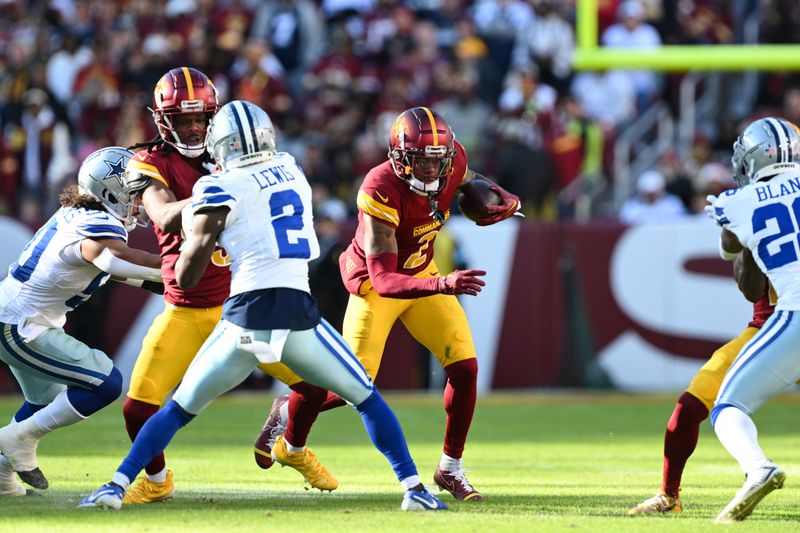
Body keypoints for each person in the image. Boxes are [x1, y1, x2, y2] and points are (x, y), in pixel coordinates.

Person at [78, 100, 449, 512]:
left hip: (244, 320)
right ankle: (414, 489)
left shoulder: (216, 188)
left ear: (220, 146)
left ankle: (115, 486)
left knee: (177, 410)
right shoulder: (292, 168)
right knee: (366, 398)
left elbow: (186, 276)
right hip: (296, 315)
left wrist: (200, 235)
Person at [254, 106, 522, 501]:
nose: (432, 170)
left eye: (438, 160)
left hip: (422, 270)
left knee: (464, 369)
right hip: (376, 285)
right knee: (353, 386)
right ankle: (287, 412)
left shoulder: (452, 161)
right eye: (421, 160)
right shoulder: (379, 187)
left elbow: (467, 178)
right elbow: (384, 279)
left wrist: (496, 193)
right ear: (398, 157)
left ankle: (451, 470)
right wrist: (443, 282)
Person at [121, 67, 332, 504]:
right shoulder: (149, 162)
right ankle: (158, 480)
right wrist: (220, 189)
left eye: (201, 119)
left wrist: (233, 179)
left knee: (315, 390)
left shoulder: (233, 154)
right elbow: (161, 216)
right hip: (184, 309)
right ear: (163, 121)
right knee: (137, 408)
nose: (195, 128)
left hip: (240, 308)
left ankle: (289, 445)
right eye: (184, 120)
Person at [0, 147, 162, 496]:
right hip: (21, 325)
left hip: (18, 317)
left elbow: (110, 269)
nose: (140, 200)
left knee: (44, 402)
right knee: (104, 383)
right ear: (109, 192)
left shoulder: (79, 212)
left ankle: (1, 475)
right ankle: (14, 439)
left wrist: (159, 283)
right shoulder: (99, 223)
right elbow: (116, 260)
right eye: (133, 191)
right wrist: (182, 264)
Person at [628, 250, 774, 514]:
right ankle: (669, 496)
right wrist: (748, 243)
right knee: (689, 406)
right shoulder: (754, 216)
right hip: (767, 331)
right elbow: (750, 290)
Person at [708, 117, 800, 523]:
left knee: (728, 407)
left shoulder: (734, 202)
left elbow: (748, 285)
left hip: (795, 313)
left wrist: (737, 236)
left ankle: (758, 468)